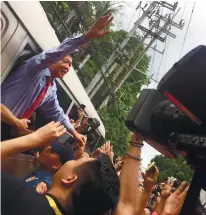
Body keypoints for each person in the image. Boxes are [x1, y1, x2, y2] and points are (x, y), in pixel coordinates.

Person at [1, 13, 114, 143]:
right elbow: (59, 51)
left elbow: (58, 113)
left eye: (70, 65)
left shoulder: (50, 89)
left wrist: (74, 133)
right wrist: (87, 36)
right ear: (53, 60)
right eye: (65, 61)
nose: (67, 66)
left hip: (7, 129)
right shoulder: (35, 68)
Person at [1, 121, 120, 215]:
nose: (72, 160)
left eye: (75, 161)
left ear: (70, 179)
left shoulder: (18, 196)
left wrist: (34, 139)